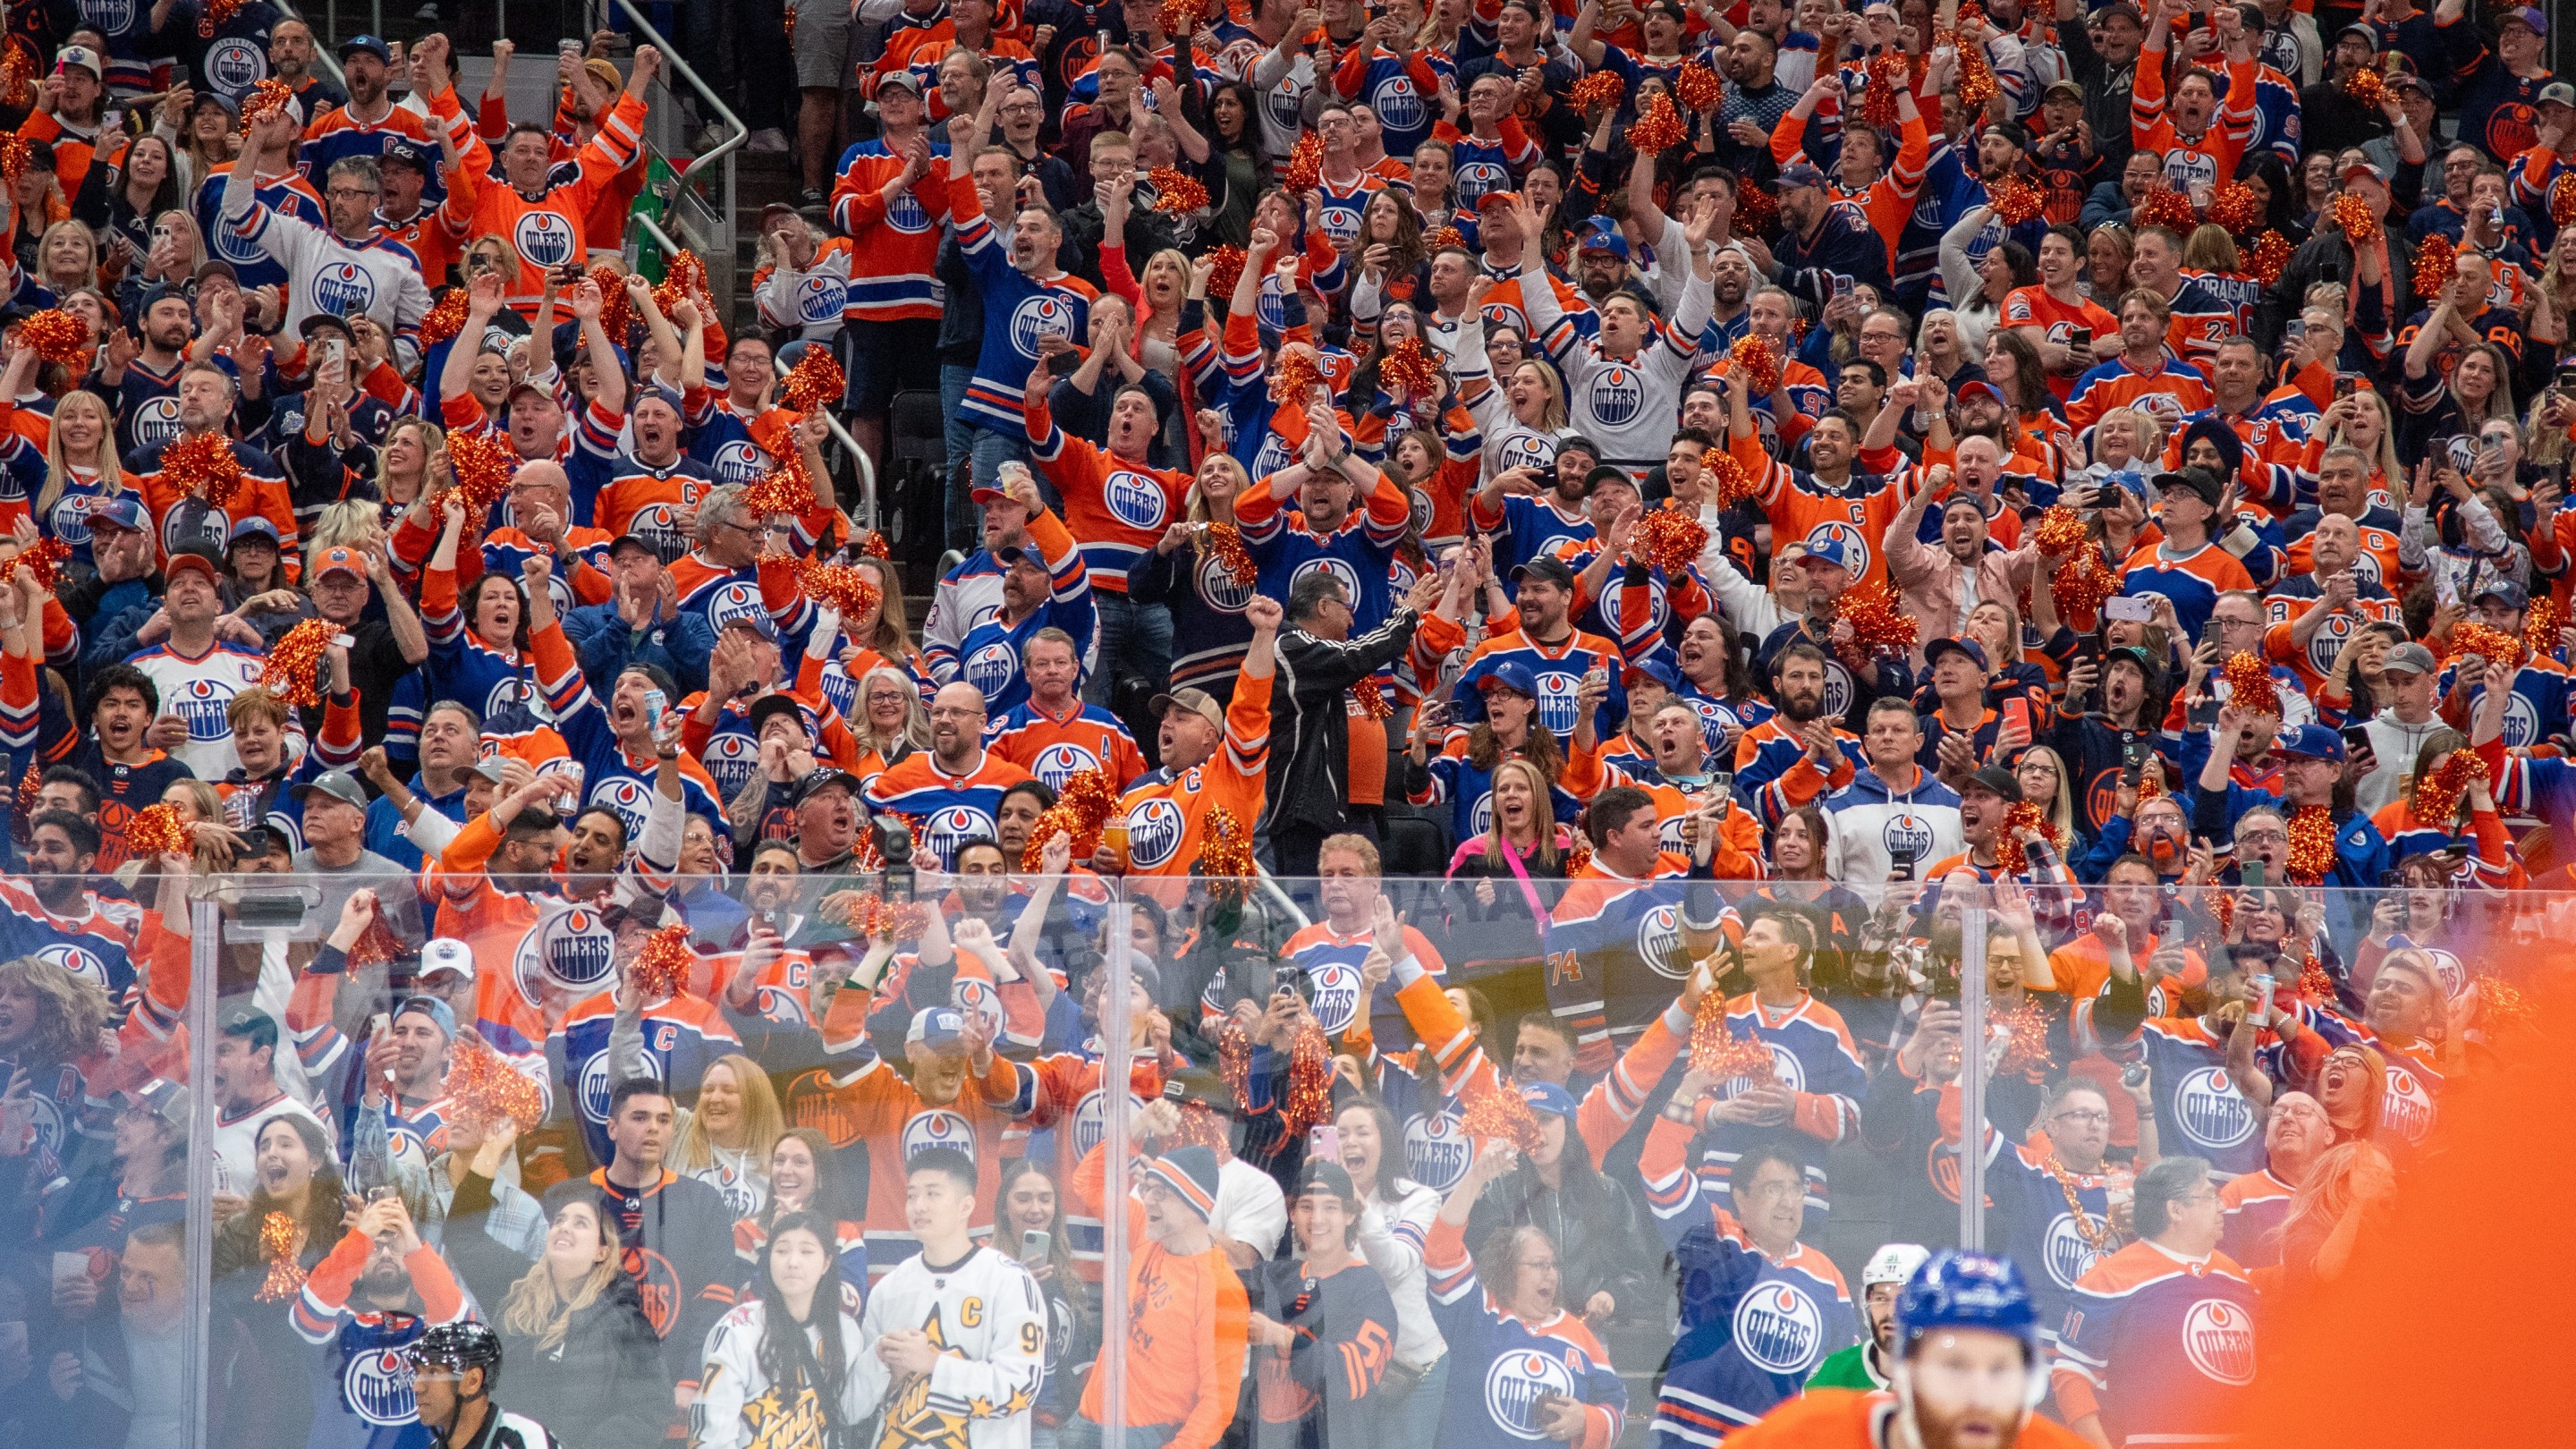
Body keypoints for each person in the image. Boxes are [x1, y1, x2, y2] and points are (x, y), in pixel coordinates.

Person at [1724, 1251, 2096, 1449]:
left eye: (2001, 1371)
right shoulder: (1804, 1436)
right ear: (1908, 1372)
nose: (1980, 1397)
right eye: (1954, 1369)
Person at [846, 1148, 1049, 1446]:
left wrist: (932, 1363)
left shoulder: (1008, 1281)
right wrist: (882, 1362)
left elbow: (1021, 1388)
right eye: (912, 1195)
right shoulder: (889, 1289)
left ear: (965, 1206)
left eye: (933, 1194)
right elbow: (851, 1408)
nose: (919, 1206)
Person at [2051, 1157, 2258, 1449]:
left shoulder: (2236, 1277)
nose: (2222, 1206)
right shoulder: (2110, 1278)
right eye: (2211, 1197)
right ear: (2176, 1210)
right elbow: (2071, 1376)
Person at [1065, 1139, 1250, 1449]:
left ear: (1195, 1206)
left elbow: (1217, 1404)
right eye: (1147, 1188)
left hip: (1145, 1437)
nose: (1147, 1199)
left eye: (1160, 1193)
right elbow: (1087, 1182)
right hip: (1088, 1421)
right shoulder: (1147, 1236)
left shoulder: (1222, 1289)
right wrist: (1132, 1135)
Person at [691, 1211, 875, 1449]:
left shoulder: (845, 1332)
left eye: (807, 1251)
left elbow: (847, 1413)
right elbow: (712, 1431)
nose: (793, 1262)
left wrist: (879, 1361)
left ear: (826, 1263)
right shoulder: (739, 1328)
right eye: (781, 1251)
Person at [407, 1321, 565, 1449]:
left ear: (473, 1381)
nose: (417, 1387)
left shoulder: (526, 1440)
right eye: (417, 1373)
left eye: (433, 1373)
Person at [1803, 1243, 1932, 1392]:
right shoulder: (1831, 1376)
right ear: (1867, 1304)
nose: (1891, 1313)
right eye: (1881, 1299)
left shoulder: (1955, 1378)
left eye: (1905, 1300)